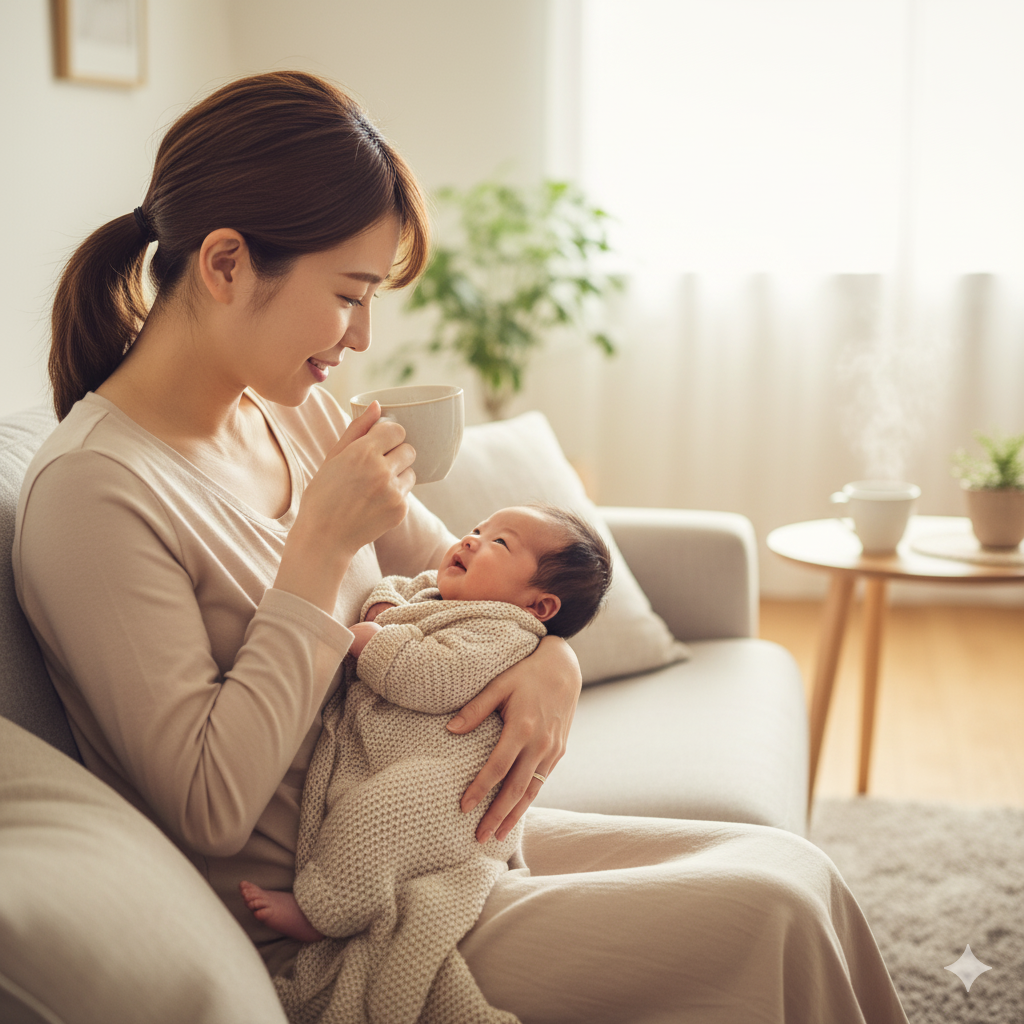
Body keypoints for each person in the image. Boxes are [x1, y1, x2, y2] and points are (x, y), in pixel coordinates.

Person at [13, 70, 909, 1023]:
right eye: (350, 294)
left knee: (794, 872)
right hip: (329, 925)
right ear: (226, 264)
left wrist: (553, 659)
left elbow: (470, 593)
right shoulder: (94, 495)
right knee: (770, 918)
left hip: (436, 850)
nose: (362, 337)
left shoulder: (291, 412)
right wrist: (316, 553)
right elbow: (207, 805)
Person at [240, 504, 612, 1024]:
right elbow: (393, 587)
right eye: (477, 529)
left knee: (378, 818)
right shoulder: (435, 592)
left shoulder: (503, 633)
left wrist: (375, 641)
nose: (471, 540)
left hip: (449, 789)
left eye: (500, 543)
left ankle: (326, 910)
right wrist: (383, 606)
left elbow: (435, 678)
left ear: (538, 606)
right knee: (362, 813)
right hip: (403, 762)